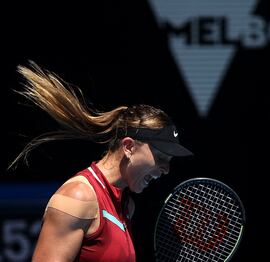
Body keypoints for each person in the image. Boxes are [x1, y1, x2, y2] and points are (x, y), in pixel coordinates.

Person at [10, 61, 193, 261]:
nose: (166, 169)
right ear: (129, 147)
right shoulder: (77, 198)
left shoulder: (126, 205)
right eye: (160, 158)